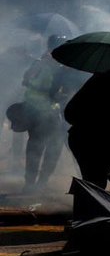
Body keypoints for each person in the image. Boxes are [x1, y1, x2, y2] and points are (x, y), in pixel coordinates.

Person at [19, 35, 77, 191]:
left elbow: (25, 80)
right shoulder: (59, 68)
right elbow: (60, 92)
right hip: (49, 113)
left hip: (32, 110)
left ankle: (29, 184)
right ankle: (40, 183)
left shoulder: (38, 62)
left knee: (34, 147)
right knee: (53, 148)